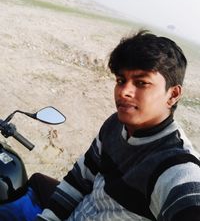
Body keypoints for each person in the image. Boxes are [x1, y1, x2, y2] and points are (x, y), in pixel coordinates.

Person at [35, 30, 200, 221]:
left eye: (141, 82)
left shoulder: (175, 167)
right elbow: (80, 178)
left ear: (172, 95)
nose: (124, 92)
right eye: (121, 81)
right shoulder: (114, 125)